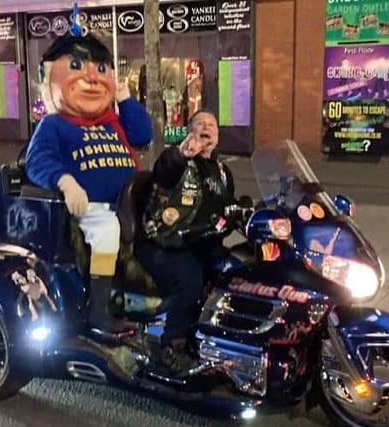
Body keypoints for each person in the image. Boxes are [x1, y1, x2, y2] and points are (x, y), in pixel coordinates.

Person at [25, 34, 153, 333]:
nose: (92, 77)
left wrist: (124, 99)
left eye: (102, 68)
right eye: (76, 65)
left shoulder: (114, 121)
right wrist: (66, 182)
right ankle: (98, 309)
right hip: (92, 207)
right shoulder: (54, 125)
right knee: (107, 230)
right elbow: (37, 160)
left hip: (132, 203)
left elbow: (143, 134)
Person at [135, 109, 235, 376]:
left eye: (211, 124)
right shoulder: (179, 161)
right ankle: (171, 347)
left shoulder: (223, 172)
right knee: (191, 277)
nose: (206, 128)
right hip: (163, 243)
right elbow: (163, 171)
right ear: (190, 131)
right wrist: (180, 154)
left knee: (235, 270)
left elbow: (227, 209)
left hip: (200, 243)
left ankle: (219, 338)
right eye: (200, 123)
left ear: (217, 135)